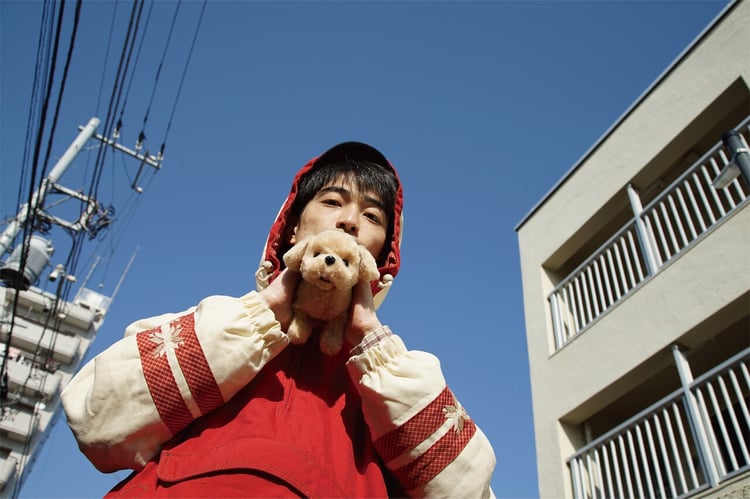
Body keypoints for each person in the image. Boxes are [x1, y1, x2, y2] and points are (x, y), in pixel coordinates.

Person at [61, 141, 496, 498]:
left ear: (380, 257)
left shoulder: (392, 387)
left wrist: (372, 340)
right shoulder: (216, 322)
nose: (349, 221)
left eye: (372, 216)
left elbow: (468, 491)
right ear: (292, 228)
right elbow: (95, 418)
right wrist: (264, 310)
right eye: (332, 201)